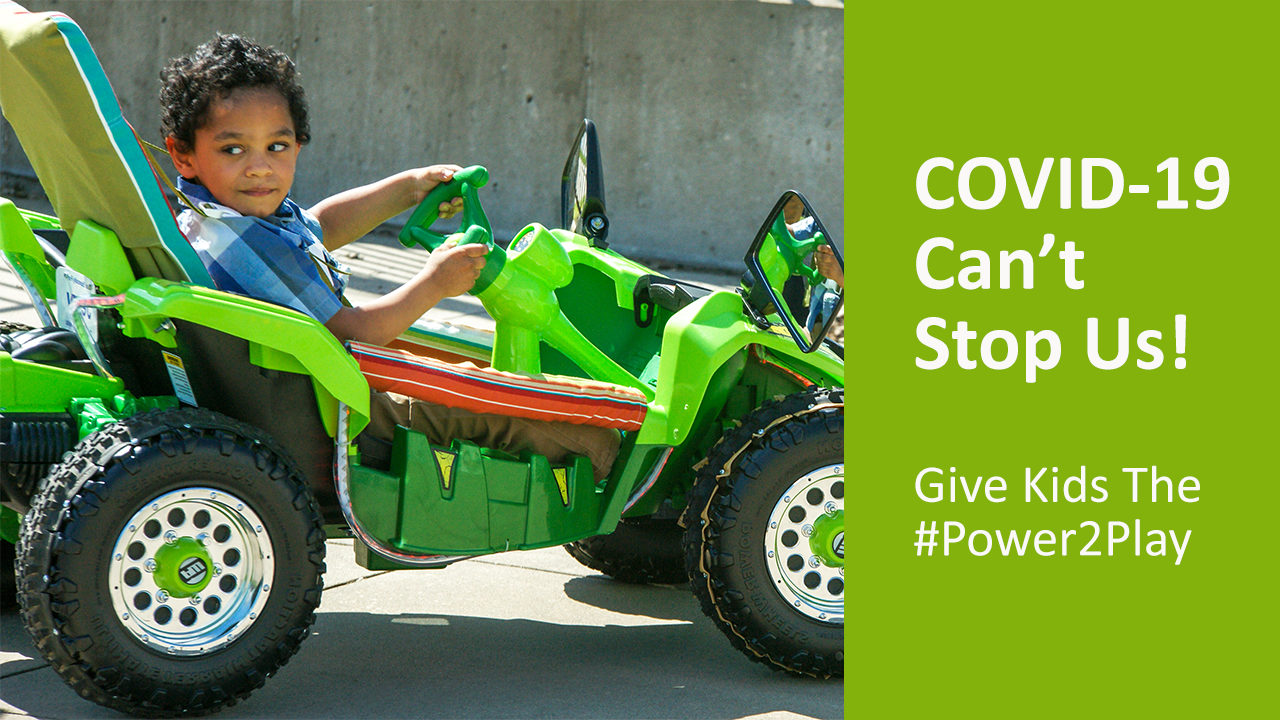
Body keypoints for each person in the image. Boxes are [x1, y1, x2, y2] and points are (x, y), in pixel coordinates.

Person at [161, 34, 618, 478]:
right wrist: (435, 283)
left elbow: (320, 226)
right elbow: (355, 335)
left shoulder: (218, 220)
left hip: (306, 389)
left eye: (275, 147)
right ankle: (607, 460)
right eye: (233, 149)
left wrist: (408, 189)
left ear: (297, 144)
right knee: (542, 420)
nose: (260, 167)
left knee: (464, 368)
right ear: (183, 155)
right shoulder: (242, 240)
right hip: (340, 410)